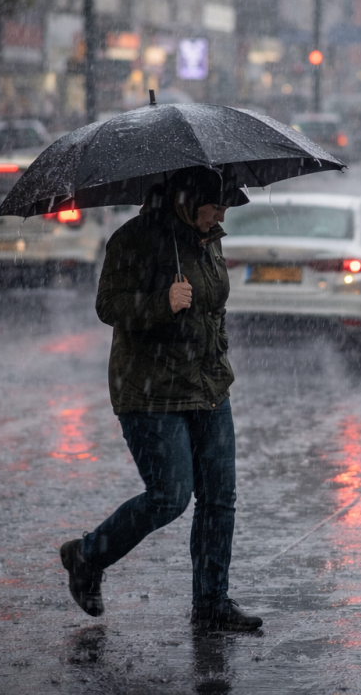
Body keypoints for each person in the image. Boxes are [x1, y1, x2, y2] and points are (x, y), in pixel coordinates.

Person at [58, 166, 262, 632]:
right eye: (215, 206)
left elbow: (213, 307)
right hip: (151, 391)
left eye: (226, 206)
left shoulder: (209, 239)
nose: (221, 215)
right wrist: (161, 303)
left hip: (208, 386)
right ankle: (87, 555)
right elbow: (108, 305)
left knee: (219, 498)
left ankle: (211, 603)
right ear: (187, 200)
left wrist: (216, 350)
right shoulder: (134, 240)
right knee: (170, 496)